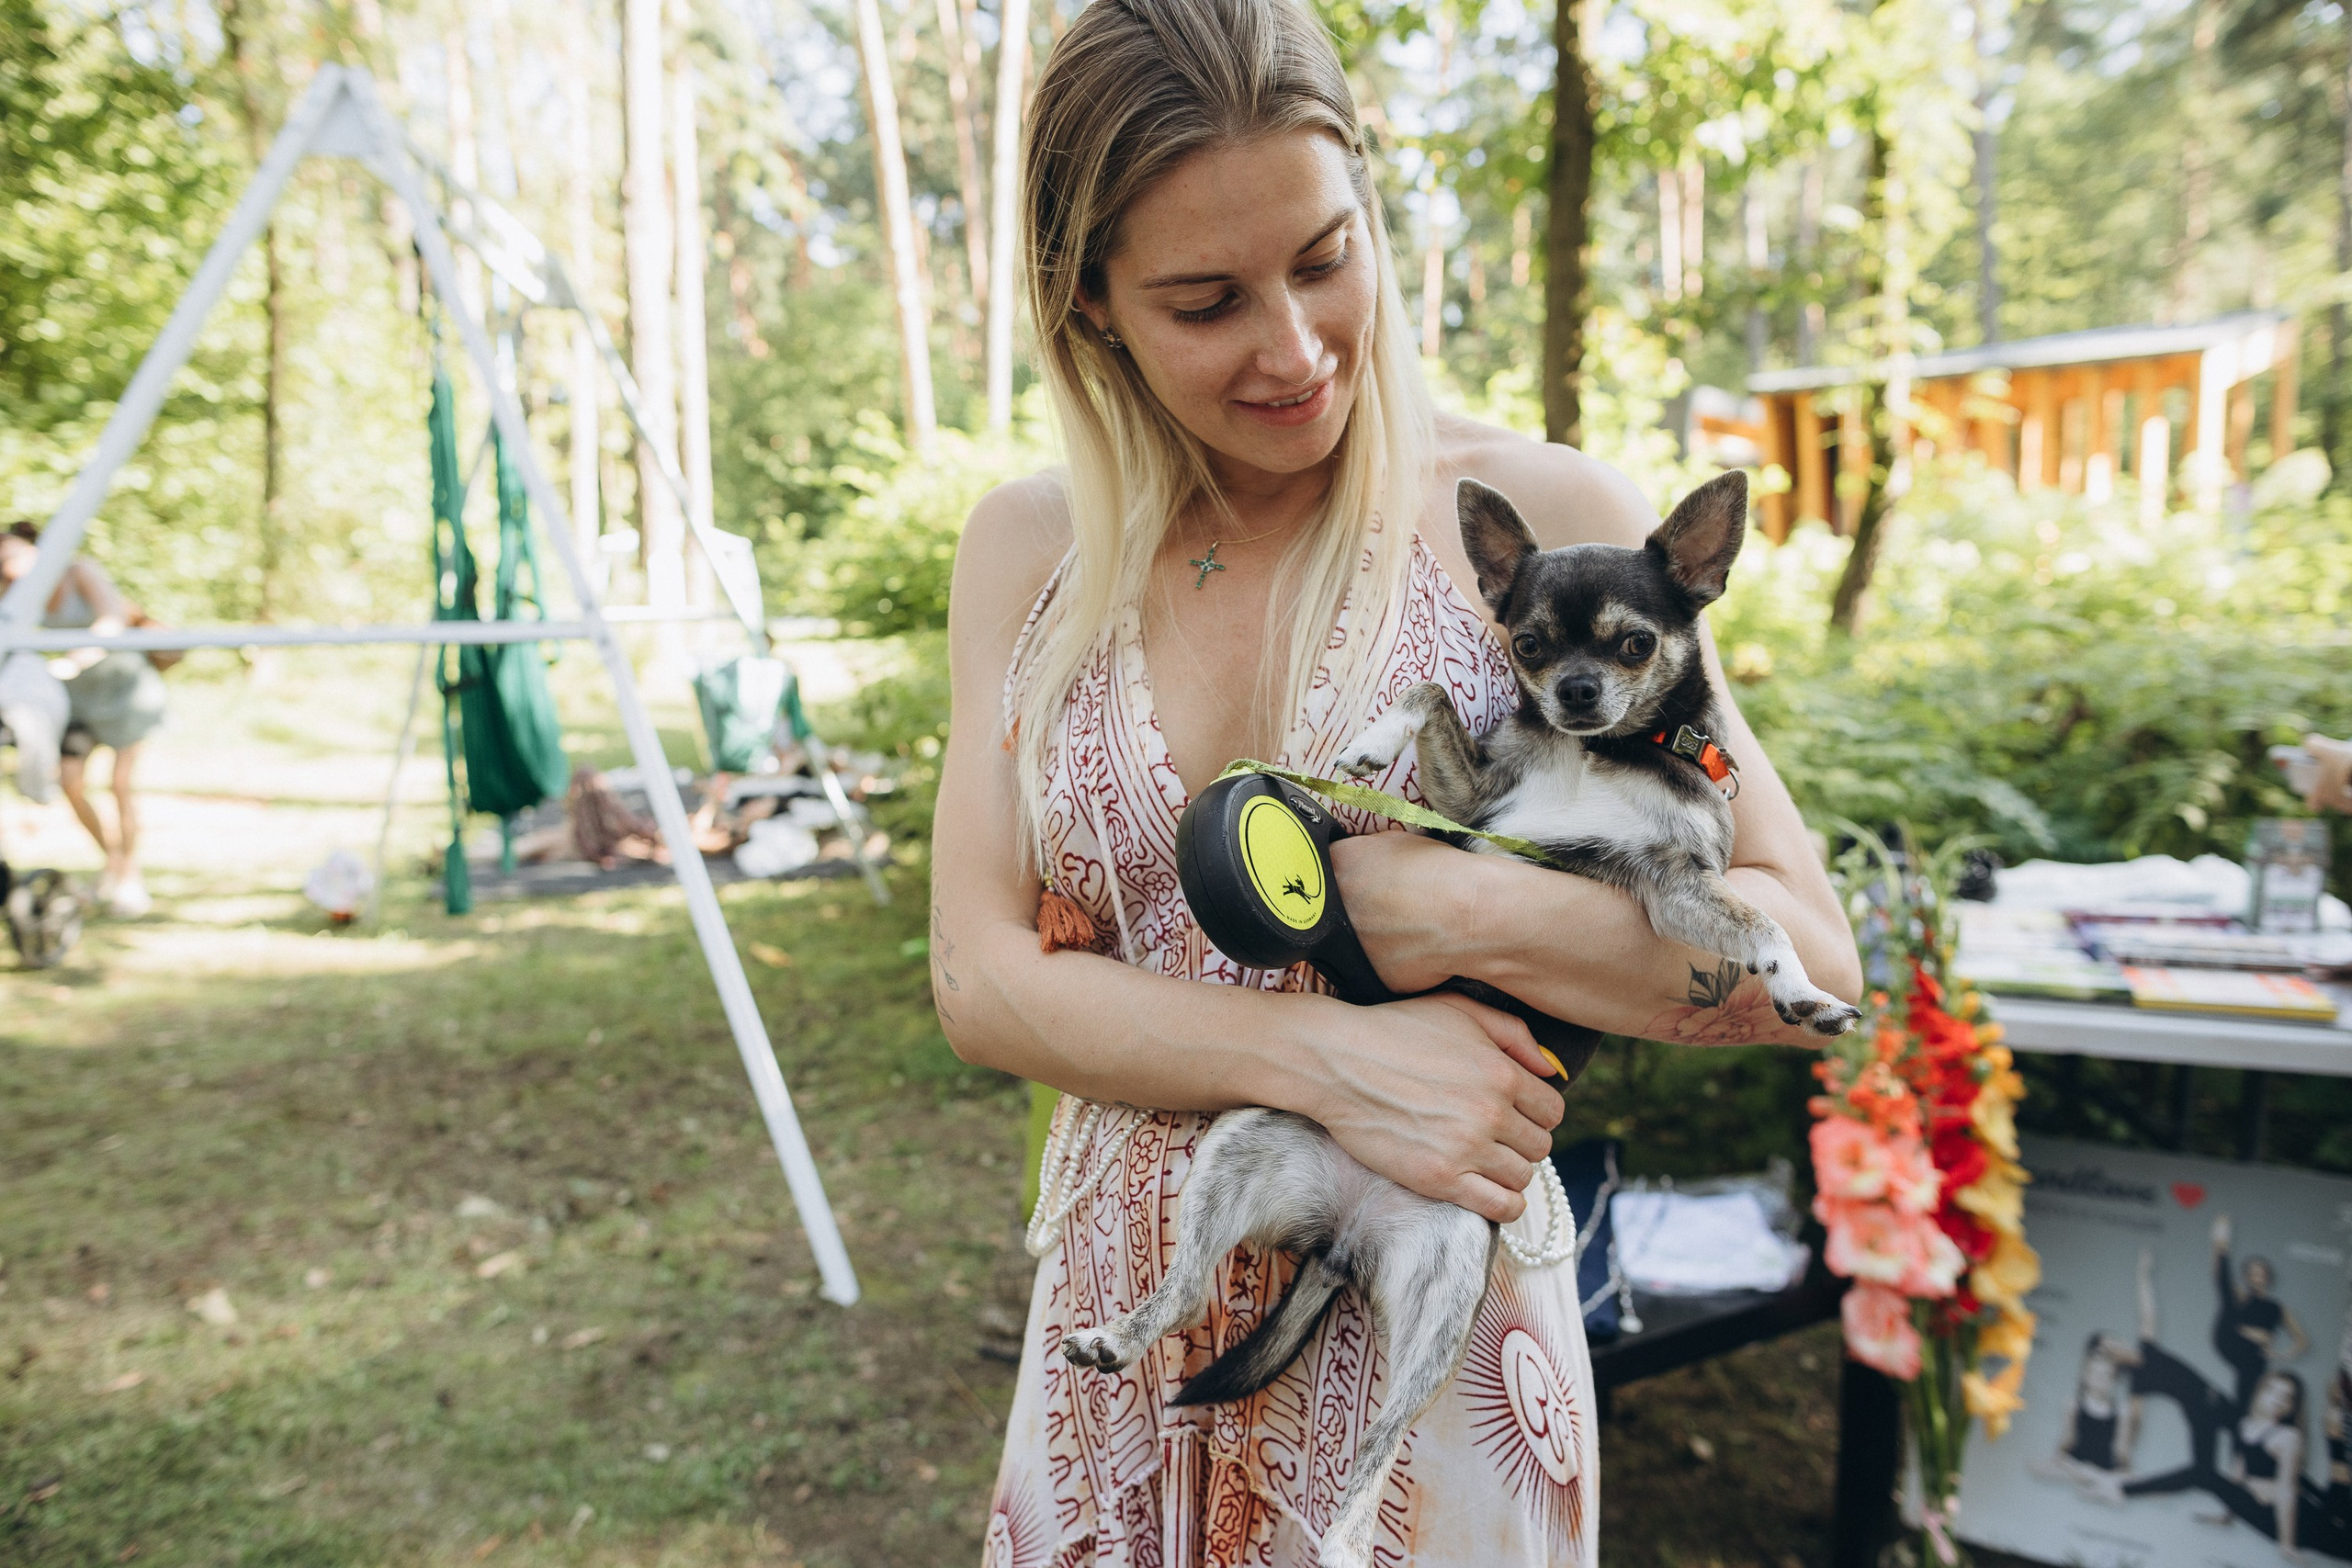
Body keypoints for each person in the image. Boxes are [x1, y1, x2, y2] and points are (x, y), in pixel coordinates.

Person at [928, 1, 1861, 1561]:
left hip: (1434, 1383)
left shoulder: (1538, 529)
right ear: (1088, 303)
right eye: (1207, 299)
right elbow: (979, 975)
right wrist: (1329, 1061)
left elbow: (1807, 957)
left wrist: (1460, 905)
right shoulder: (1028, 557)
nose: (1295, 347)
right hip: (1117, 1355)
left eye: (1324, 256)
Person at [0, 521, 167, 917]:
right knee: (71, 782)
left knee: (120, 785)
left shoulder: (79, 571)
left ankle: (129, 878)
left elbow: (111, 620)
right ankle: (114, 861)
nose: (9, 565)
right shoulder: (18, 593)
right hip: (73, 701)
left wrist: (74, 659)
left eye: (14, 554)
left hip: (123, 693)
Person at [2216, 1213, 2312, 1415]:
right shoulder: (2240, 1297)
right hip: (2233, 1346)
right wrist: (2221, 1244)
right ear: (2246, 1277)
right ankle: (2222, 1245)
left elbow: (2302, 1340)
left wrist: (2281, 1355)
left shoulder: (2276, 1308)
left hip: (2254, 1361)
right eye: (2251, 1274)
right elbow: (2222, 1279)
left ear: (2267, 1277)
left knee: (2245, 1407)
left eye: (2260, 1274)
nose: (2256, 1278)